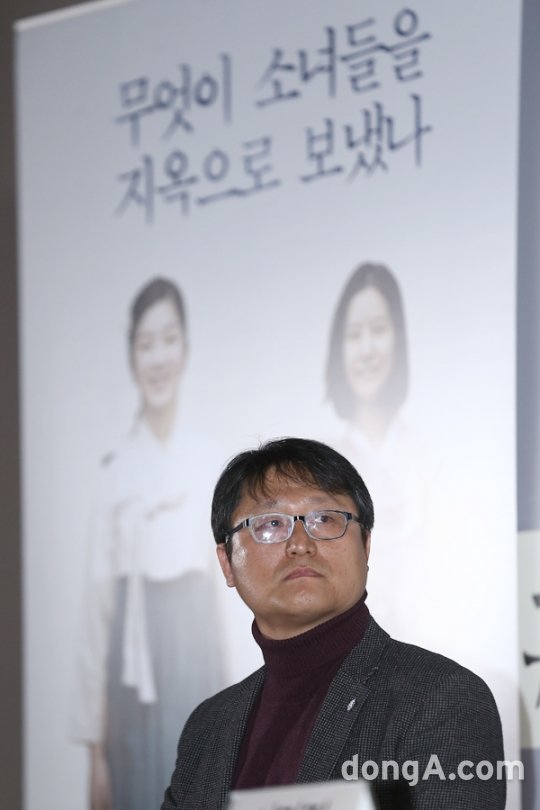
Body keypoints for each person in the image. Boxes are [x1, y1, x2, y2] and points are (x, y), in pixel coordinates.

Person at [161, 437, 506, 809]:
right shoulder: (207, 727)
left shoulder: (441, 698)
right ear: (227, 562)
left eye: (324, 519)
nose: (300, 543)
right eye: (270, 523)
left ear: (366, 545)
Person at [71, 277, 224, 810]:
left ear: (186, 348)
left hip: (199, 663)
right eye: (145, 343)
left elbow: (230, 606)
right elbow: (96, 616)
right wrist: (94, 753)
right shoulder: (114, 471)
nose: (158, 357)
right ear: (131, 356)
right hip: (130, 683)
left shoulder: (210, 460)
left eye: (169, 339)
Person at [325, 263, 433, 640]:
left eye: (379, 329)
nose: (367, 349)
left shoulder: (429, 456)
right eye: (354, 335)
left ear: (398, 338)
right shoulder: (323, 470)